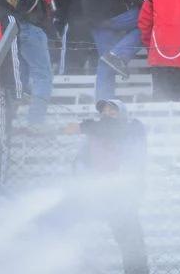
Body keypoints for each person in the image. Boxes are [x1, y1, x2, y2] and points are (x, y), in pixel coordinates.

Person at [63, 99, 148, 274]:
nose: (107, 116)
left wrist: (83, 127)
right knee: (77, 237)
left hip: (123, 197)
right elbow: (80, 162)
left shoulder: (133, 127)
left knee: (132, 243)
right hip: (95, 195)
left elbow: (115, 130)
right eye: (104, 113)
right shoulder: (94, 135)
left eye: (112, 112)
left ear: (122, 114)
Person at [81, 0, 144, 101]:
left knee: (106, 62)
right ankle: (118, 54)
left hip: (93, 16)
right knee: (150, 19)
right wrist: (146, 2)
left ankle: (105, 106)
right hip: (112, 12)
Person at [16, 0, 56, 131]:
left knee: (20, 76)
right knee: (43, 76)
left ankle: (9, 117)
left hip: (15, 29)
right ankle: (36, 122)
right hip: (29, 27)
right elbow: (23, 5)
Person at [0, 0, 22, 185]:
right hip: (0, 88)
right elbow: (11, 56)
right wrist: (16, 92)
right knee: (1, 142)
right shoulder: (7, 18)